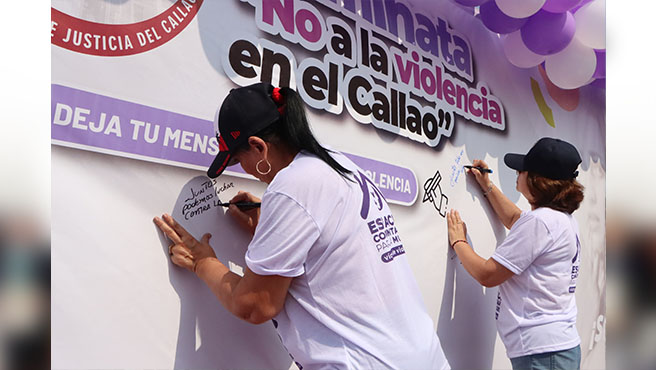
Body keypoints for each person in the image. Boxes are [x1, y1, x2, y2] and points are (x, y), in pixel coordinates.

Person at [154, 82, 450, 369]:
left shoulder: (292, 186)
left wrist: (203, 262)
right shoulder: (337, 164)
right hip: (422, 356)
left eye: (237, 160)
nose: (242, 170)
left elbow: (254, 304)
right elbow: (331, 256)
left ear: (258, 147)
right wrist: (269, 227)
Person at [446, 137, 584, 370]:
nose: (517, 173)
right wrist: (487, 186)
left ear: (537, 181)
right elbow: (515, 220)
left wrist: (459, 241)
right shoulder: (560, 220)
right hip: (554, 349)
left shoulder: (541, 223)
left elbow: (488, 275)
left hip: (542, 353)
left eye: (522, 169)